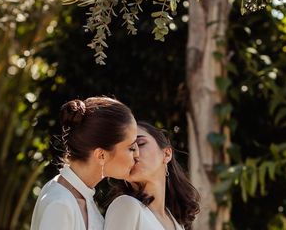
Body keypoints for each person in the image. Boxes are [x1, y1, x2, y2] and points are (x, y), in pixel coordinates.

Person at [31, 96, 139, 230]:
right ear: (101, 155)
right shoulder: (60, 204)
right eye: (131, 148)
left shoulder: (83, 197)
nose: (137, 154)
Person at [104, 122, 200, 230]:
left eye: (140, 143)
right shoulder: (126, 206)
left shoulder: (176, 222)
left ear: (167, 154)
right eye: (126, 149)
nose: (133, 152)